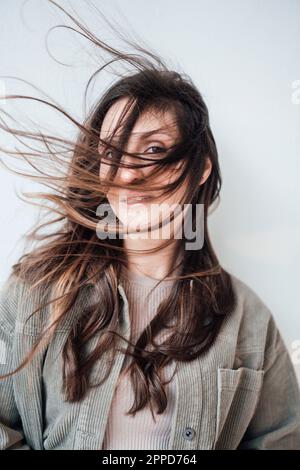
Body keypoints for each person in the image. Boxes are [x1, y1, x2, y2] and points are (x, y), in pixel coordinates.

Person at [0, 1, 300, 450]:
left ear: (201, 169)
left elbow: (281, 441)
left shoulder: (247, 318)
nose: (126, 174)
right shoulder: (36, 291)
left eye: (155, 150)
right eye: (111, 153)